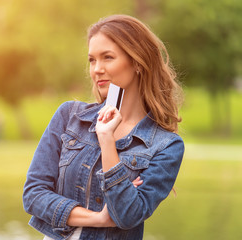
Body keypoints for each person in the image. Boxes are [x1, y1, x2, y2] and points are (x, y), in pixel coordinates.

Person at [23, 14, 184, 240]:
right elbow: (33, 195)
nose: (97, 69)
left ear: (137, 62)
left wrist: (107, 141)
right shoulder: (70, 116)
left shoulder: (165, 145)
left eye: (107, 57)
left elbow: (128, 215)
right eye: (92, 60)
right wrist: (99, 219)